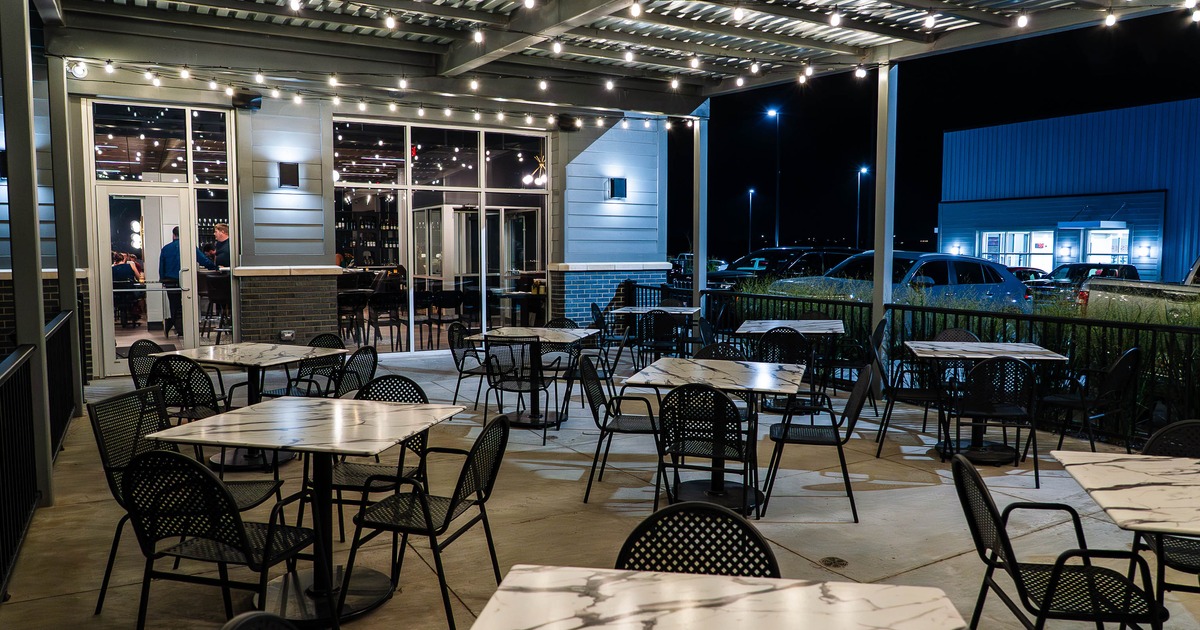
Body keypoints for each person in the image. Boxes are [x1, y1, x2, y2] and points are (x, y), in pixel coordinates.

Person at [159, 226, 218, 337]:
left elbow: (161, 266)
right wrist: (215, 267)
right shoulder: (189, 246)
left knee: (174, 304)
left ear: (173, 235)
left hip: (170, 280)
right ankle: (184, 327)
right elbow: (203, 260)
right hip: (186, 279)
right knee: (187, 303)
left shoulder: (166, 248)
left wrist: (162, 279)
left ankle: (176, 326)